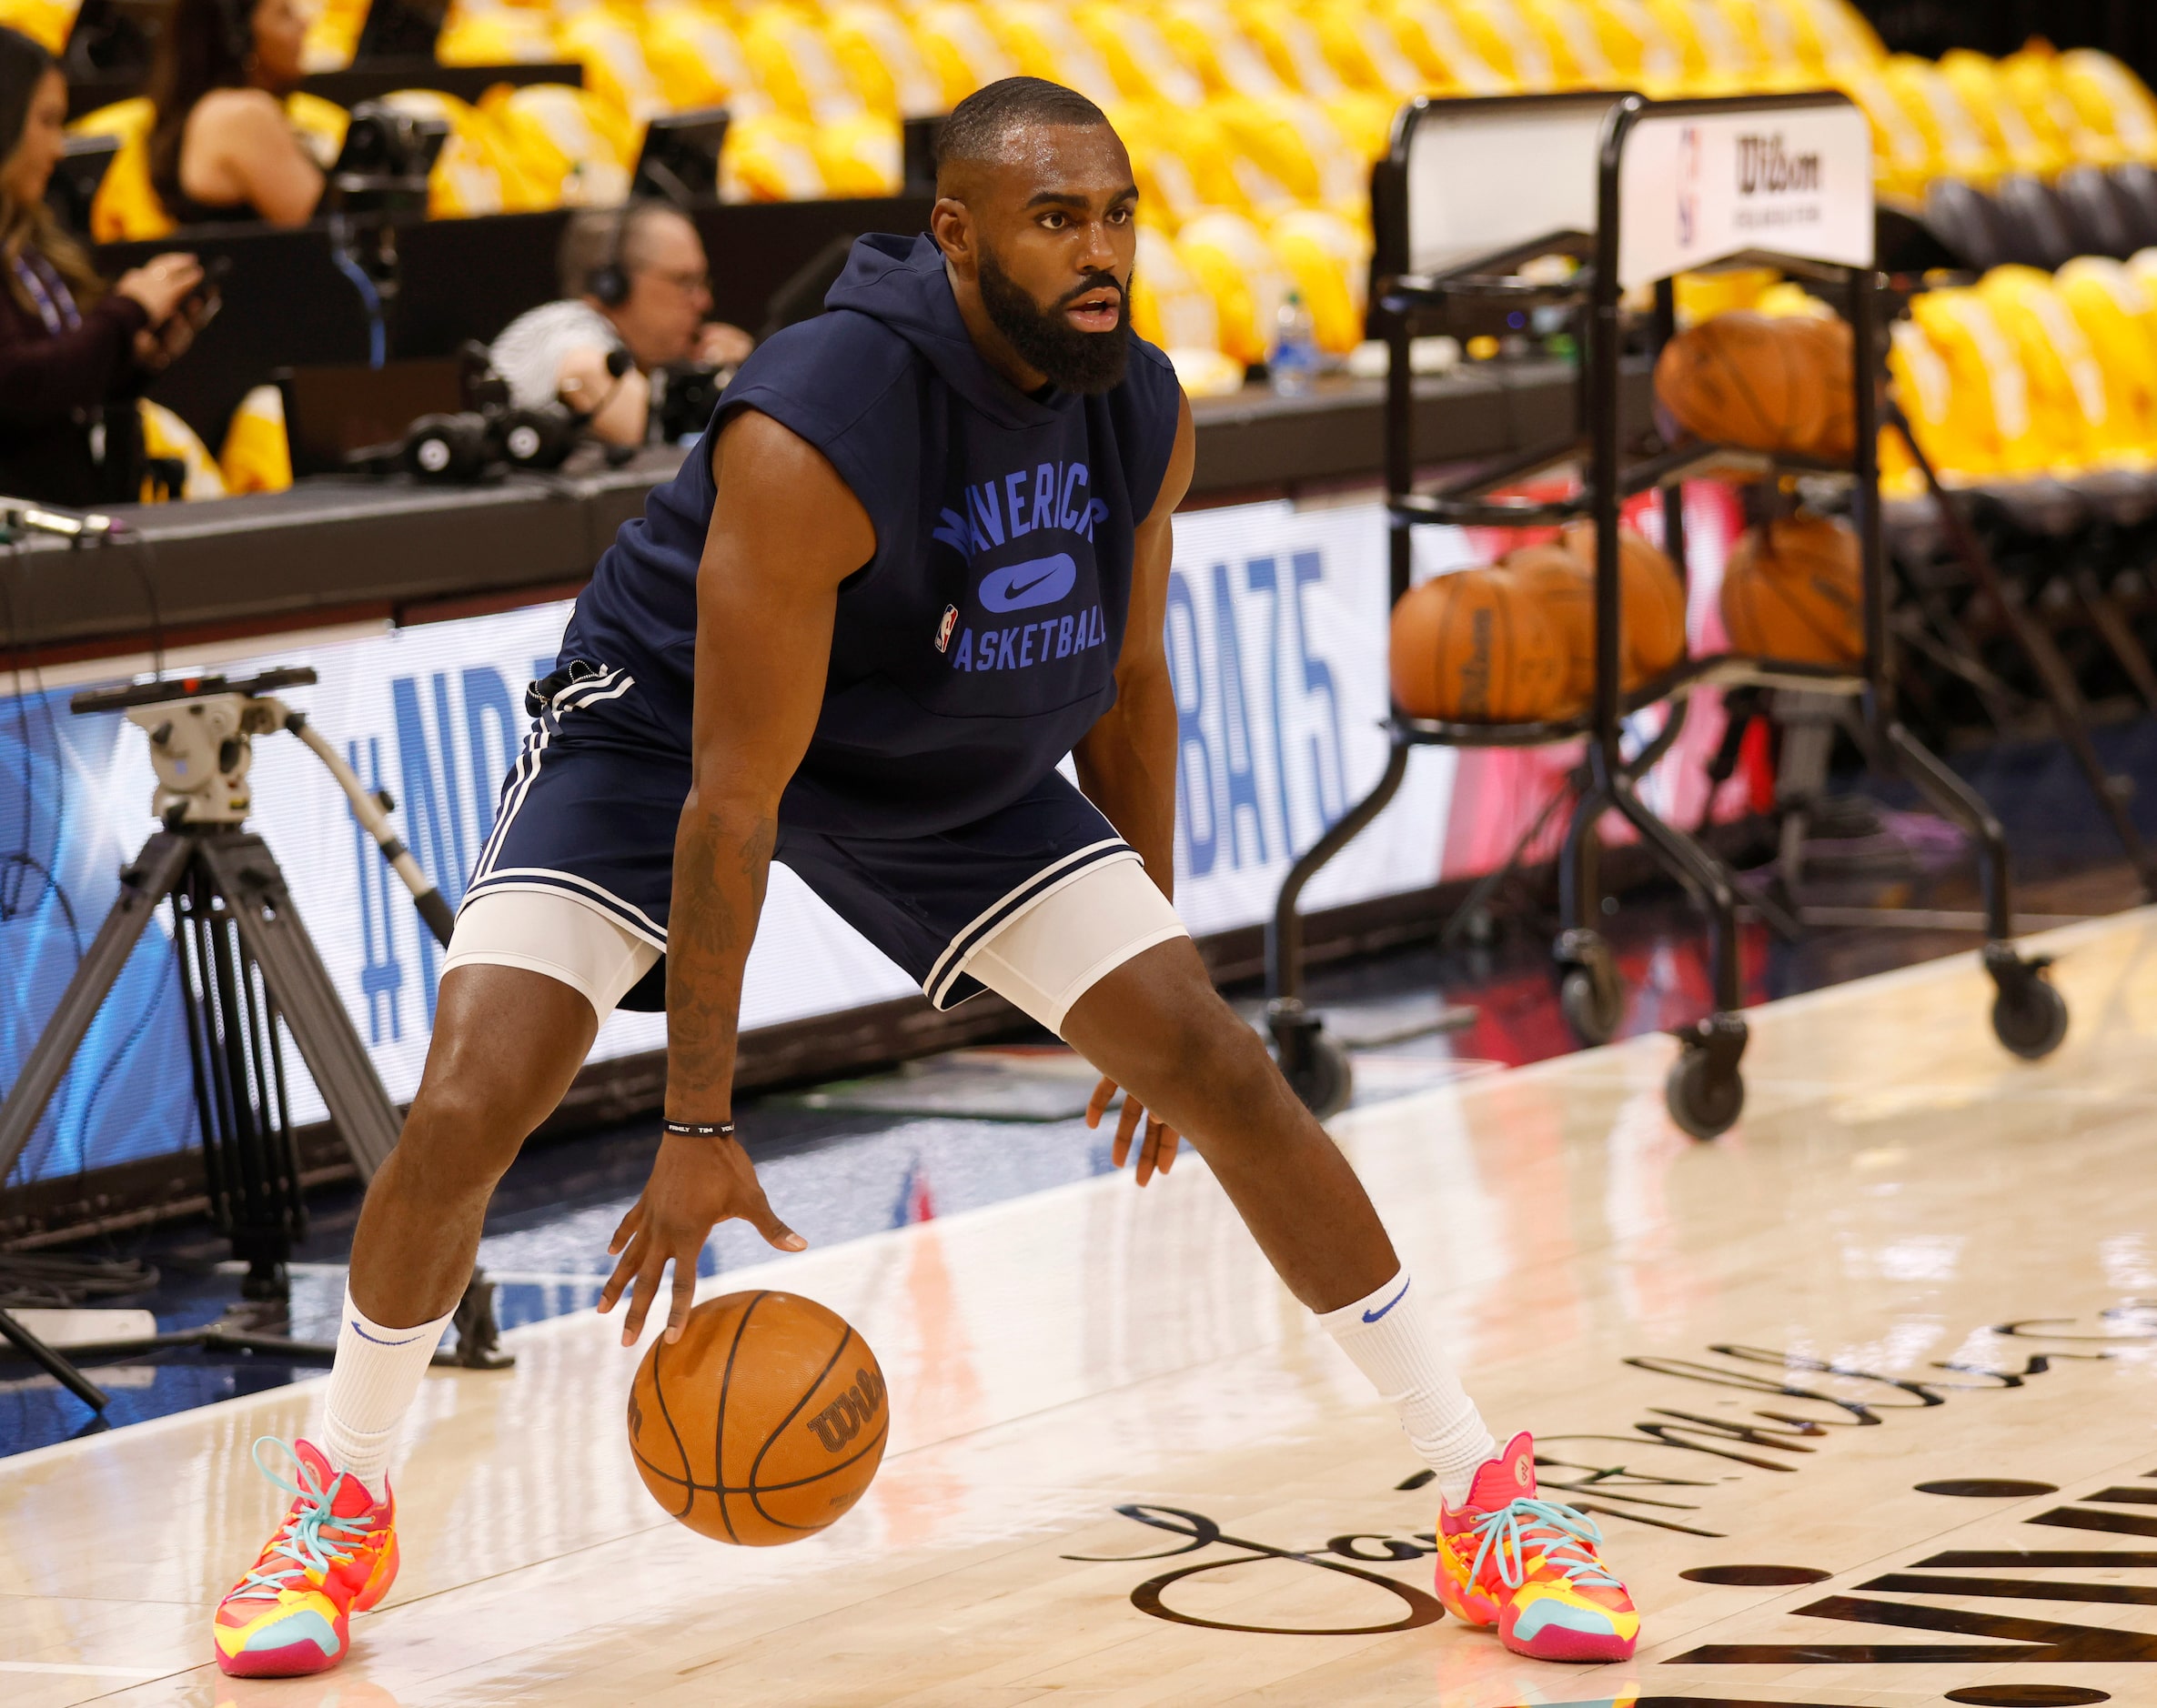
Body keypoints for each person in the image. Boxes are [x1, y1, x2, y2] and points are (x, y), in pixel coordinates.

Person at [209, 77, 1640, 1679]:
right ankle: (341, 1495)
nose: (1099, 252)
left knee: (1225, 1066)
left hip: (924, 745)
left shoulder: (1139, 404)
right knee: (472, 1097)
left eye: (1116, 215)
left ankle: (1479, 1492)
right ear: (956, 234)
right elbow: (734, 803)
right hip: (676, 741)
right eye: (1055, 220)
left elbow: (1130, 686)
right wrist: (697, 1122)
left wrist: (1148, 973)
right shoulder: (817, 418)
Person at [0, 26, 207, 505]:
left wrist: (130, 361)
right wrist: (126, 311)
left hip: (73, 517)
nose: (58, 149)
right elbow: (17, 386)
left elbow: (57, 395)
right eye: (46, 122)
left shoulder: (34, 242)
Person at [489, 201, 754, 447]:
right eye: (685, 282)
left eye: (702, 282)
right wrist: (723, 389)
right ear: (612, 285)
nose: (704, 302)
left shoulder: (633, 356)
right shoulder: (561, 325)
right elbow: (587, 377)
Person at [146, 0, 322, 228]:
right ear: (241, 38)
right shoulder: (242, 115)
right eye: (284, 14)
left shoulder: (211, 108)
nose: (305, 24)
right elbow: (325, 233)